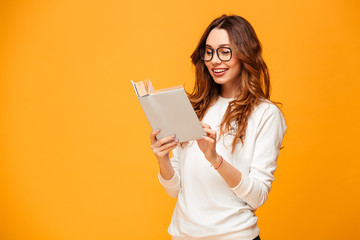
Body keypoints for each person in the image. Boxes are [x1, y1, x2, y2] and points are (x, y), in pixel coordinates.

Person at [149, 14, 287, 240]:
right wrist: (162, 158)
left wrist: (215, 159)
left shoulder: (266, 114)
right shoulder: (195, 107)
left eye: (225, 51)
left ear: (245, 54)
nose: (214, 60)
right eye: (209, 51)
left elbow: (258, 196)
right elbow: (175, 190)